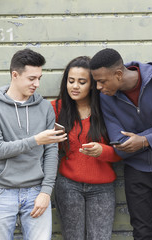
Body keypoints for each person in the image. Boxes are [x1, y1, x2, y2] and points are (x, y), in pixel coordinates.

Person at [89, 48, 152, 240]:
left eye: (102, 81)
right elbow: (120, 147)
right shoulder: (106, 98)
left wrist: (142, 140)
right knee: (141, 234)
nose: (98, 87)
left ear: (118, 74)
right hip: (136, 172)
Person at [0, 48, 67, 239]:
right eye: (31, 78)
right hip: (2, 192)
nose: (36, 83)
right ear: (15, 75)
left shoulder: (44, 107)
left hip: (36, 192)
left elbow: (51, 152)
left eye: (39, 78)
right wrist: (36, 140)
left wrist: (46, 192)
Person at [51, 56, 121, 239]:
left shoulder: (106, 110)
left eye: (82, 82)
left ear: (92, 84)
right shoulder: (55, 109)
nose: (75, 86)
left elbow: (123, 150)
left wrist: (102, 151)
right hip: (68, 186)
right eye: (71, 81)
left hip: (102, 188)